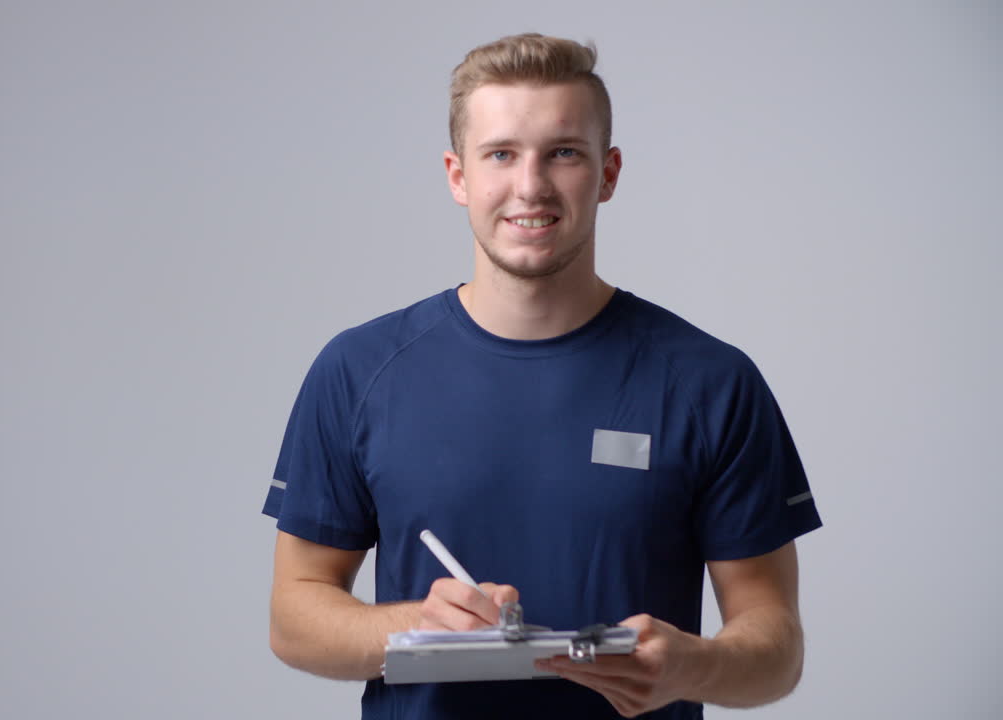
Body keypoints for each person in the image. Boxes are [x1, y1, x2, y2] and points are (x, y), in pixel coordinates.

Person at [261, 32, 821, 719]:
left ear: (608, 173)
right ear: (457, 174)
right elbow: (294, 616)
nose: (530, 185)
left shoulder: (712, 383)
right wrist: (413, 628)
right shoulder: (358, 372)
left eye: (563, 153)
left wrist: (695, 666)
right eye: (501, 154)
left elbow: (777, 647)